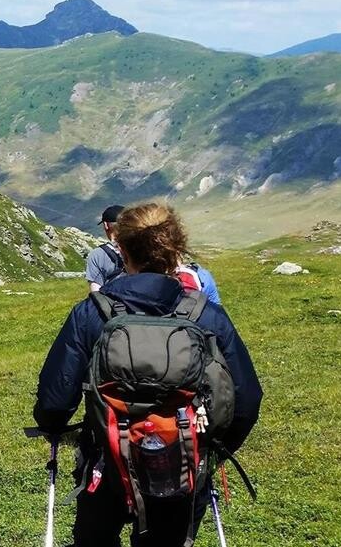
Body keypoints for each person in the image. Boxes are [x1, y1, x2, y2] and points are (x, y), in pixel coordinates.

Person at [34, 203, 262, 546]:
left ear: (122, 249)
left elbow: (55, 401)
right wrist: (210, 447)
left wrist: (53, 425)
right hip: (182, 464)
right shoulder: (205, 315)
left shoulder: (92, 313)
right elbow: (246, 401)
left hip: (107, 463)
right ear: (176, 248)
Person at [86, 205, 126, 293]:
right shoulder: (141, 246)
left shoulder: (97, 255)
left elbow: (96, 293)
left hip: (114, 305)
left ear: (106, 225)